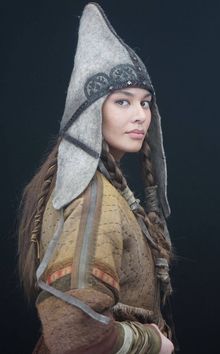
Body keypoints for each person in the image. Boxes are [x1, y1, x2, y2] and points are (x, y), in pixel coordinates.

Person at [18, 3, 175, 353]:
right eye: (123, 102)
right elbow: (73, 333)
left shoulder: (105, 189)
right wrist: (154, 343)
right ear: (91, 112)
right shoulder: (93, 200)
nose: (140, 116)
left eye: (145, 103)